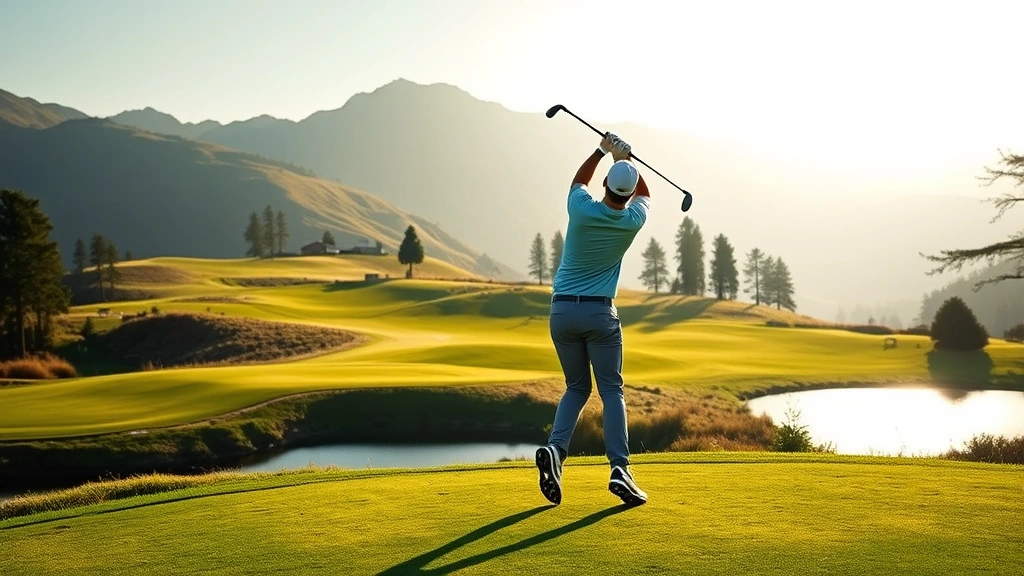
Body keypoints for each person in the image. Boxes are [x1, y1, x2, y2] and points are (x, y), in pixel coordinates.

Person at [535, 131, 651, 507]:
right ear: (628, 194)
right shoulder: (633, 220)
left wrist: (604, 150)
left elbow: (578, 181)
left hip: (562, 311)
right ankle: (620, 469)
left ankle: (556, 450)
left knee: (576, 387)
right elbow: (646, 196)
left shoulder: (581, 208)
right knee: (612, 391)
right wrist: (628, 159)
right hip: (601, 314)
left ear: (605, 184)